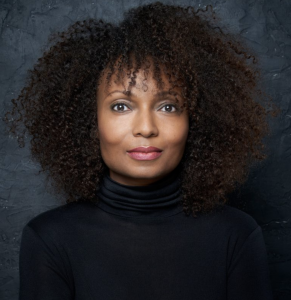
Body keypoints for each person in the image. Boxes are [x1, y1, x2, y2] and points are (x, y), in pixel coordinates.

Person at [4, 2, 278, 299]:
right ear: (89, 120)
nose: (146, 128)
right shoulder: (49, 239)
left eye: (168, 106)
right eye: (121, 106)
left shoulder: (236, 236)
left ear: (196, 120)